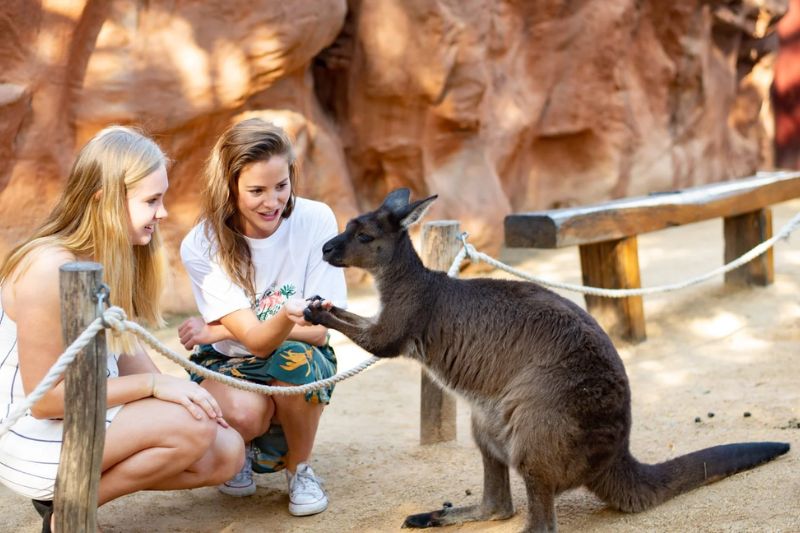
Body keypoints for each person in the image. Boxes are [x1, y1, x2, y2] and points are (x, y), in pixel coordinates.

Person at [0, 126, 245, 532]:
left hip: (86, 418)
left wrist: (185, 396)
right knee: (192, 428)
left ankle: (69, 503)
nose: (162, 213)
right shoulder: (47, 267)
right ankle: (69, 512)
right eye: (152, 200)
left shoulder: (108, 258)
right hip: (31, 439)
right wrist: (155, 392)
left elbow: (135, 364)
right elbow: (45, 401)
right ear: (106, 200)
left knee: (227, 451)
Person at [177, 117, 346, 517]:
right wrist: (289, 317)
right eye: (256, 190)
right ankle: (246, 448)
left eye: (281, 186)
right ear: (230, 188)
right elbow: (251, 341)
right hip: (230, 361)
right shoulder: (202, 243)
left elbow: (321, 331)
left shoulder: (316, 219)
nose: (272, 202)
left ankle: (299, 468)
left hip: (296, 360)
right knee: (246, 413)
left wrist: (216, 329)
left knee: (294, 357)